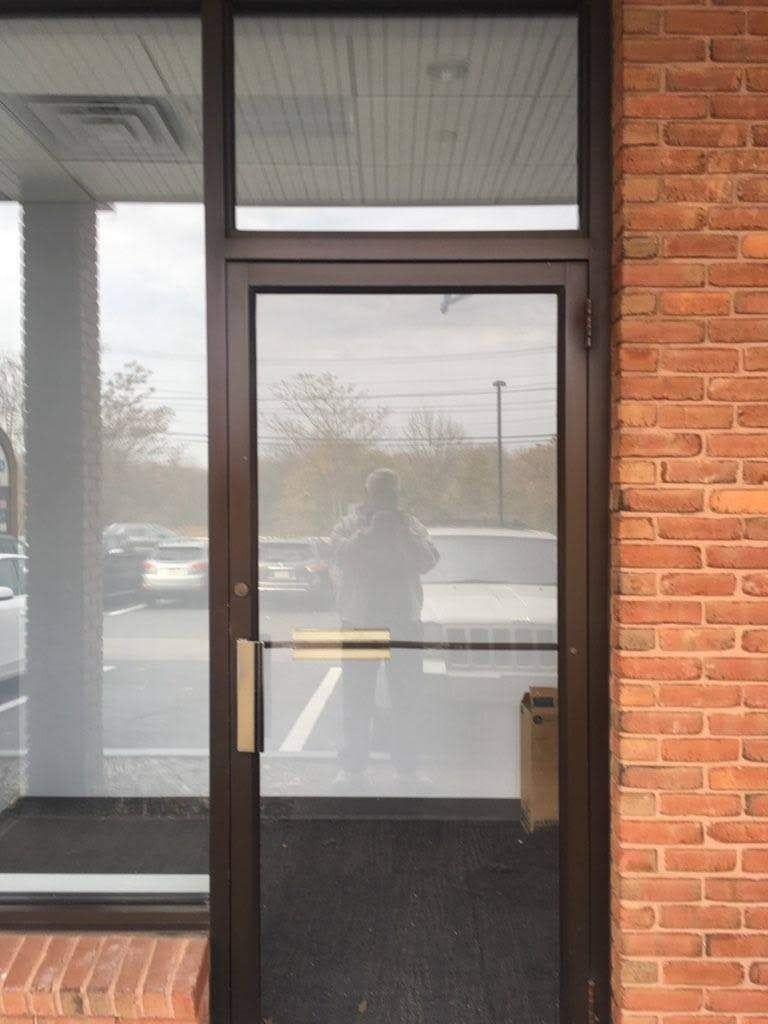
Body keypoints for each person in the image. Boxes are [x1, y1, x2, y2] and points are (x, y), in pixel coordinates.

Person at [329, 468, 439, 786]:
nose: (383, 498)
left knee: (407, 698)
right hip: (359, 621)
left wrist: (400, 533)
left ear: (397, 494)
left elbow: (429, 560)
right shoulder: (350, 524)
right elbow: (338, 555)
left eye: (389, 493)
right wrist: (369, 533)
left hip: (404, 621)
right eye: (378, 492)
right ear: (367, 492)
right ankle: (352, 767)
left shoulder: (409, 524)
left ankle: (408, 768)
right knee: (356, 696)